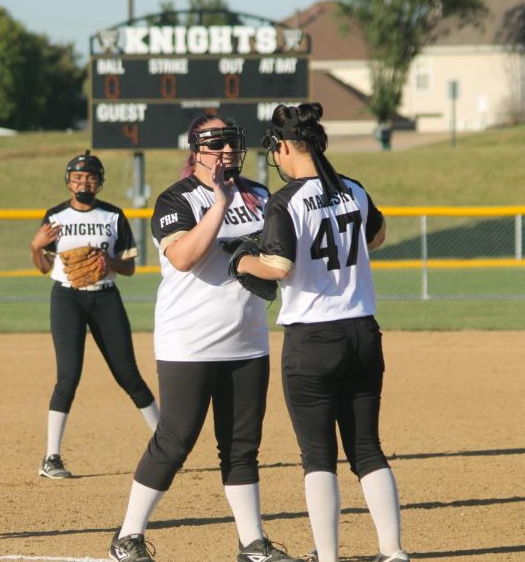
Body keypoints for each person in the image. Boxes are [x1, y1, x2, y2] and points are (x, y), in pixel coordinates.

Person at [108, 115, 299, 562]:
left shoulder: (259, 194)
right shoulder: (176, 198)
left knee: (241, 444)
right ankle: (128, 536)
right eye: (217, 144)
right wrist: (219, 203)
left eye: (233, 143)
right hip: (189, 341)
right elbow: (184, 258)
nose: (228, 152)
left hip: (248, 339)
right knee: (174, 439)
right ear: (196, 150)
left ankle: (252, 542)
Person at [236, 103, 408, 562]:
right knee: (367, 448)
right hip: (362, 331)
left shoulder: (285, 200)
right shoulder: (352, 188)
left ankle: (328, 556)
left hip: (312, 338)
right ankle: (392, 551)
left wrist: (241, 260)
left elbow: (277, 266)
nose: (276, 158)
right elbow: (378, 236)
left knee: (317, 456)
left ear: (288, 146)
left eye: (276, 149)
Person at [30, 150, 159, 479]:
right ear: (68, 181)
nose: (83, 182)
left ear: (99, 182)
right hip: (67, 298)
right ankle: (51, 457)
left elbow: (129, 267)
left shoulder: (113, 216)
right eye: (77, 177)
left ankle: (167, 442)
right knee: (68, 377)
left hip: (106, 298)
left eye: (89, 177)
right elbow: (45, 268)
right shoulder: (55, 216)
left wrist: (108, 263)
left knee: (128, 374)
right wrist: (35, 247)